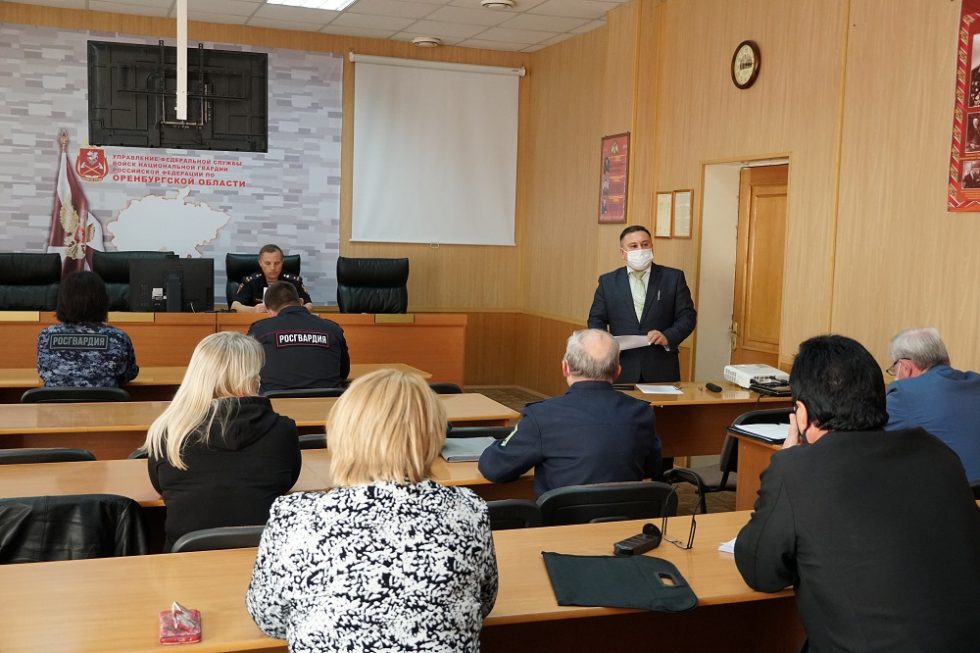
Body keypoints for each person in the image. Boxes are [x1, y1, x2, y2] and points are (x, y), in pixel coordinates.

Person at [735, 335, 980, 652]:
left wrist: (790, 458)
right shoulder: (937, 452)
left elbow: (761, 572)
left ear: (802, 414)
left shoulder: (796, 470)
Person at [247, 369, 498, 652]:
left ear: (342, 432)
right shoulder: (469, 509)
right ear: (433, 434)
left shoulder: (293, 516)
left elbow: (269, 618)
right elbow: (483, 602)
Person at [145, 331, 301, 550]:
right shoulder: (282, 430)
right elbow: (286, 482)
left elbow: (161, 486)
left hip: (186, 562)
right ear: (251, 378)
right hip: (264, 559)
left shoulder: (168, 434)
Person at [478, 329, 662, 496]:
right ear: (617, 371)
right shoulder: (641, 412)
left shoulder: (542, 416)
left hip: (562, 521)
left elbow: (494, 468)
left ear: (565, 368)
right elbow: (651, 469)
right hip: (628, 520)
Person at [587, 225, 696, 383]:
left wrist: (668, 336)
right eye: (633, 246)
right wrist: (606, 346)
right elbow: (596, 319)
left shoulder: (673, 278)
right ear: (622, 253)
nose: (640, 250)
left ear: (652, 247)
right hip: (620, 367)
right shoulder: (608, 282)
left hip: (661, 368)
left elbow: (688, 317)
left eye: (645, 244)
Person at [884, 327, 980, 481]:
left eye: (894, 369)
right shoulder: (976, 381)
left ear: (904, 367)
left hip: (950, 486)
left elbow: (874, 439)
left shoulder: (904, 392)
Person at [36, 270, 139, 387]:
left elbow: (43, 372)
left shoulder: (46, 336)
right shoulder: (118, 338)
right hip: (104, 399)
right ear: (103, 301)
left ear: (62, 301)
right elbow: (129, 374)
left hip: (56, 400)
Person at [247, 281, 350, 394]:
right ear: (301, 302)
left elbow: (247, 372)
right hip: (327, 402)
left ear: (269, 310)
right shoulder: (332, 329)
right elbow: (343, 373)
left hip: (275, 402)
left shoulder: (259, 330)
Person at [231, 244, 312, 313]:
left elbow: (309, 305)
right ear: (260, 263)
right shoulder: (251, 281)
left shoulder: (293, 281)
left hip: (287, 320)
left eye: (277, 263)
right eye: (267, 263)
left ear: (282, 262)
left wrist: (295, 311)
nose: (272, 268)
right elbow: (235, 306)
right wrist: (254, 310)